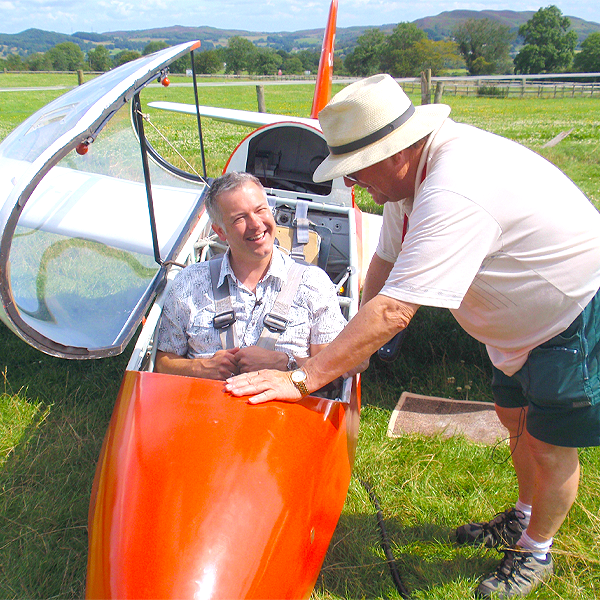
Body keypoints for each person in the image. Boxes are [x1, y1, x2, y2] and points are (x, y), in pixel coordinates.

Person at [225, 74, 600, 598]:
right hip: (514, 331)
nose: (352, 185)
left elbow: (397, 310)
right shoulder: (410, 179)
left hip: (567, 318)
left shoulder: (454, 188)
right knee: (515, 421)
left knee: (549, 444)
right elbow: (384, 263)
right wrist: (348, 339)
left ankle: (537, 551)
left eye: (355, 170)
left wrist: (305, 377)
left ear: (394, 152)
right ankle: (524, 515)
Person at [155, 171, 347, 380]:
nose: (256, 224)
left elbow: (334, 371)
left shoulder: (314, 284)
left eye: (261, 210)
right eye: (239, 218)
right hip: (204, 407)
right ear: (220, 232)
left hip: (287, 410)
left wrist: (283, 363)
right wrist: (200, 368)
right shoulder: (189, 283)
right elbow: (163, 361)